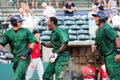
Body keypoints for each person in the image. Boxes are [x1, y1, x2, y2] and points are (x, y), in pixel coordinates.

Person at [0, 14, 36, 80]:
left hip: (24, 57)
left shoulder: (26, 31)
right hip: (15, 58)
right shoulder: (8, 33)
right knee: (21, 77)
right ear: (14, 22)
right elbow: (2, 45)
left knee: (17, 77)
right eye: (19, 21)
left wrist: (27, 52)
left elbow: (33, 42)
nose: (21, 22)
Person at [91, 10, 120, 79]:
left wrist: (118, 53)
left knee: (115, 77)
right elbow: (97, 43)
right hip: (106, 57)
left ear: (102, 18)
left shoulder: (106, 27)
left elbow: (117, 39)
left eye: (97, 17)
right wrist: (94, 46)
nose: (95, 18)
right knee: (111, 76)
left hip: (112, 56)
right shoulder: (97, 31)